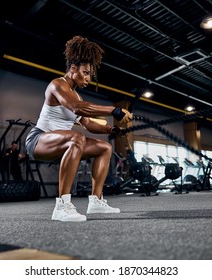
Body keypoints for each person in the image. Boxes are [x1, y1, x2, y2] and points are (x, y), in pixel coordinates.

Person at [25, 35, 133, 222]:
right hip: (39, 140)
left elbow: (88, 123)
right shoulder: (57, 85)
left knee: (104, 148)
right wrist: (113, 110)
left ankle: (96, 201)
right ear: (73, 68)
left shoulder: (77, 96)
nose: (88, 78)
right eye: (85, 72)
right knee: (76, 138)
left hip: (62, 143)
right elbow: (77, 108)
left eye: (90, 74)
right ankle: (62, 205)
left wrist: (111, 131)